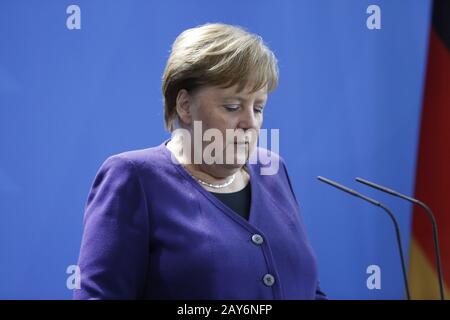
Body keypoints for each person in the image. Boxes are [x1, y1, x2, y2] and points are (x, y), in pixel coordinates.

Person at [74, 23, 326, 300]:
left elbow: (308, 291)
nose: (250, 123)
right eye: (232, 107)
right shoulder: (134, 177)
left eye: (258, 108)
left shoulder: (273, 170)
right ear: (184, 106)